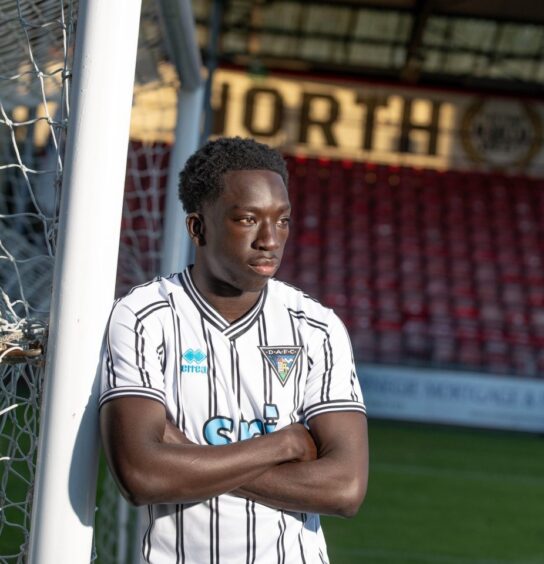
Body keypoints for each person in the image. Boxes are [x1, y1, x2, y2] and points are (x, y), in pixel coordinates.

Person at [99, 137, 368, 563]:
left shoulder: (317, 327)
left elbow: (345, 489)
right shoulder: (142, 317)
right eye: (247, 219)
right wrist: (284, 445)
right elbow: (140, 474)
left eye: (282, 221)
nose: (269, 240)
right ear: (197, 228)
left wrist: (185, 456)